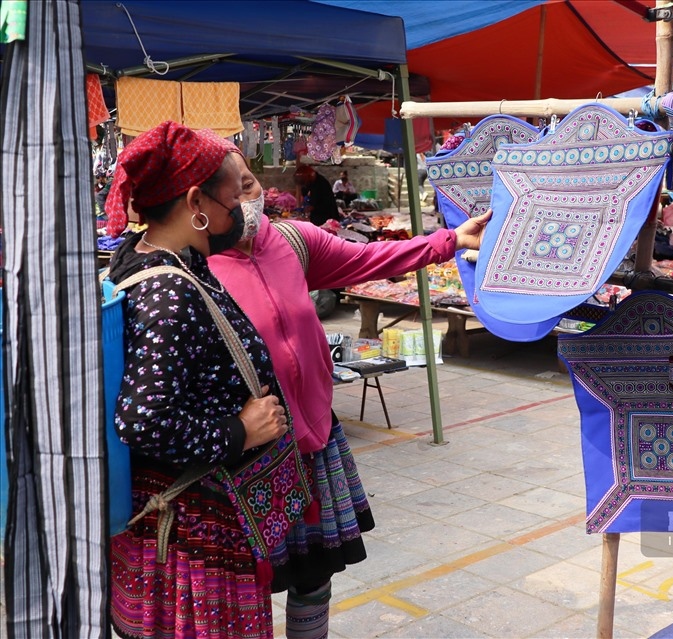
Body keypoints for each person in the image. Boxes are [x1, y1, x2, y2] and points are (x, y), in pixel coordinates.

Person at [207, 144, 490, 638]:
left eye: (249, 184)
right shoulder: (192, 268)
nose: (246, 200)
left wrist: (449, 241)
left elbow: (368, 258)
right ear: (202, 206)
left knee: (314, 578)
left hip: (311, 441)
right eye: (232, 193)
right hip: (244, 453)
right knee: (241, 583)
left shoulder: (293, 240)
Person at [104, 122, 292, 637]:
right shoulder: (169, 291)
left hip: (189, 517)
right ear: (195, 201)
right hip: (189, 528)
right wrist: (239, 431)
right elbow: (142, 422)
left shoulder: (154, 258)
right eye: (234, 198)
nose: (241, 210)